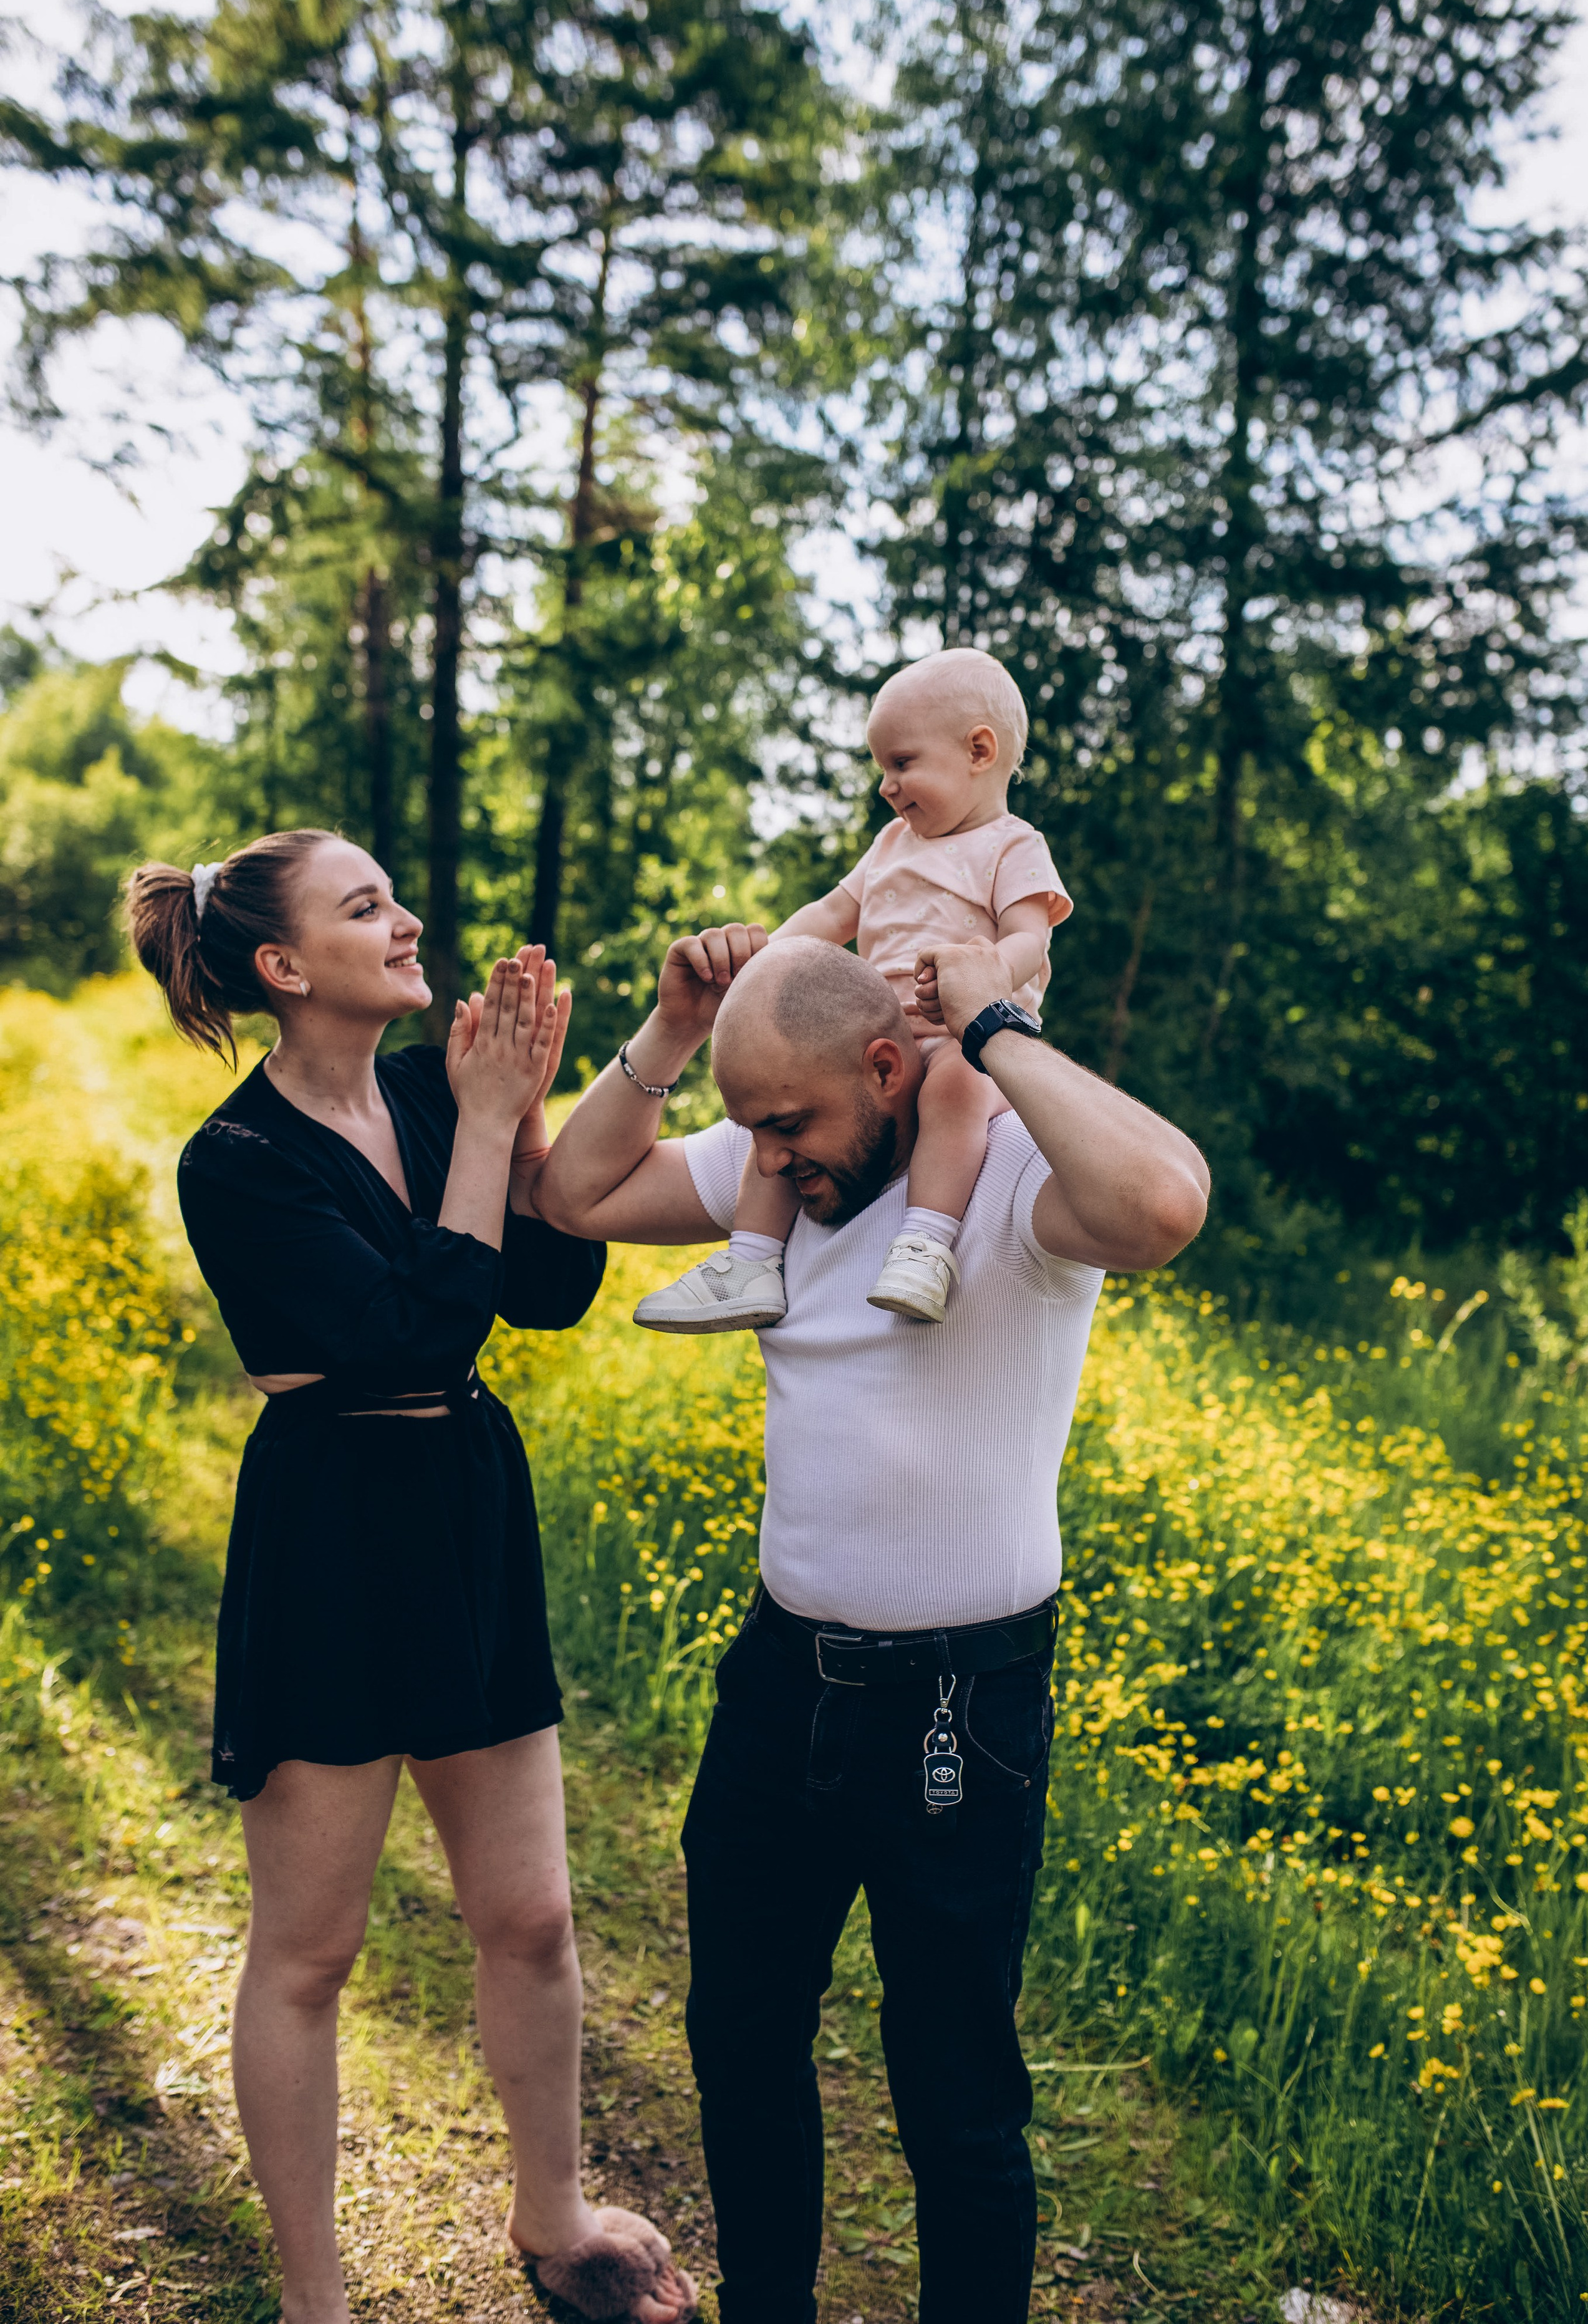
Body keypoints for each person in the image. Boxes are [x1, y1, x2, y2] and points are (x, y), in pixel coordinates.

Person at [536, 920, 1210, 2324]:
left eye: (789, 1124)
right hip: (782, 1680)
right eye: (753, 1134)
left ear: (894, 1065)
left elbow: (1158, 1205)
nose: (768, 1164)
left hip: (960, 1707)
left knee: (954, 2086)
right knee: (740, 2036)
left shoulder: (1016, 1178)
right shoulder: (781, 1164)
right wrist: (668, 1030)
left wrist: (1000, 1027)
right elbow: (572, 1195)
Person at [125, 831, 695, 2324]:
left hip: (461, 1513)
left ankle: (553, 2214)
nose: (407, 918)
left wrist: (548, 1102)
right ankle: (318, 2303)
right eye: (365, 905)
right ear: (283, 966)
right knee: (309, 1951)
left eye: (395, 895)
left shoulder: (437, 1097)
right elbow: (408, 1336)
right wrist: (489, 1116)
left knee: (533, 1915)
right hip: (329, 1536)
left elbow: (551, 1289)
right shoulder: (233, 1161)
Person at [633, 649, 1071, 1333]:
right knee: (788, 1109)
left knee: (953, 1092)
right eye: (881, 769)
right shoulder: (892, 844)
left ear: (979, 750)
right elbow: (829, 917)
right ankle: (750, 1260)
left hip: (964, 1034)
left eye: (901, 763)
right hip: (876, 1032)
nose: (886, 787)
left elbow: (1030, 938)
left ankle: (926, 1245)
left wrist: (983, 979)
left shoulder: (1013, 846)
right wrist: (762, 965)